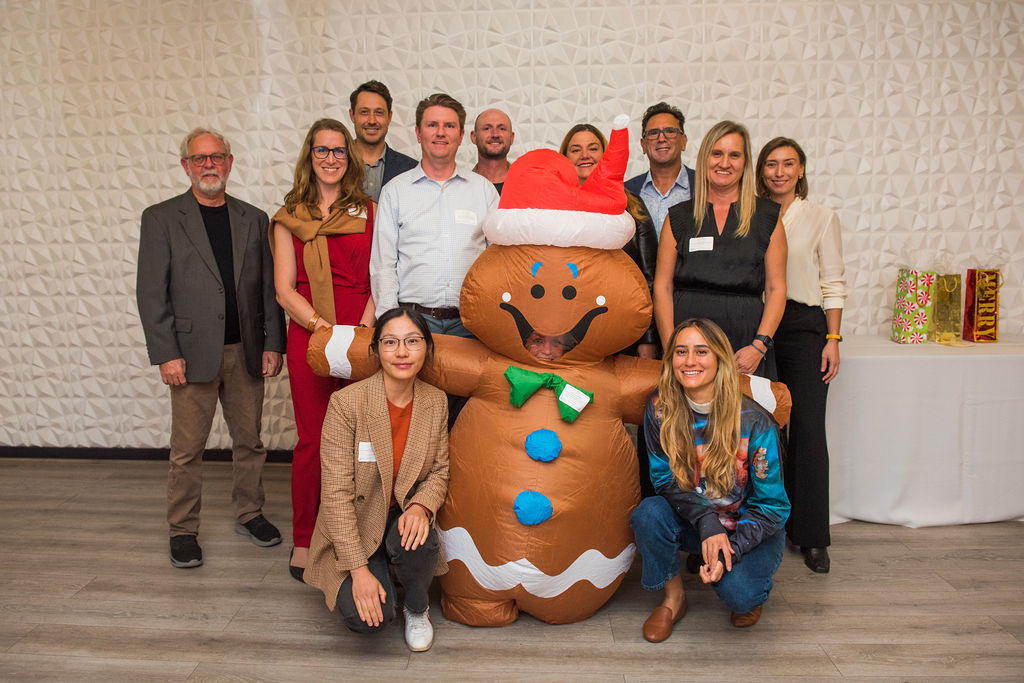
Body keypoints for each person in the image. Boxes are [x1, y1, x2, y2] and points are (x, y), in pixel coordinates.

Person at [137, 127, 286, 568]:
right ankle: (182, 529)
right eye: (199, 158)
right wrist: (166, 353)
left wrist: (272, 343)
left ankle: (250, 512)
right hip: (189, 354)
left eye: (216, 157)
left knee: (250, 442)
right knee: (187, 451)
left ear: (229, 162)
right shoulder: (161, 218)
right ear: (185, 165)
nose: (208, 165)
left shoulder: (253, 219)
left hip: (245, 351)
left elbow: (268, 289)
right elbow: (151, 293)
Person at [630, 318, 789, 640]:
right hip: (697, 522)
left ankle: (749, 590)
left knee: (740, 596)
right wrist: (707, 523)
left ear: (719, 359)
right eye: (681, 352)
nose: (689, 361)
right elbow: (664, 480)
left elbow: (772, 507)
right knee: (648, 514)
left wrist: (731, 548)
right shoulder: (659, 408)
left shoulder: (756, 422)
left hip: (749, 527)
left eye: (701, 351)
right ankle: (674, 599)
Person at [304, 307, 449, 652]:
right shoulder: (346, 403)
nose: (402, 352)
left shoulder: (436, 401)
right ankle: (375, 565)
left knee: (420, 539)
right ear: (376, 350)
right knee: (368, 619)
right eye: (390, 342)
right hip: (355, 521)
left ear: (426, 348)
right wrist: (358, 571)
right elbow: (336, 495)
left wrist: (422, 507)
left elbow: (439, 471)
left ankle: (417, 608)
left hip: (402, 517)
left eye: (412, 341)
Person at [269, 118, 376, 582]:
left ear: (349, 158)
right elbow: (284, 288)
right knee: (313, 440)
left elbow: (380, 277)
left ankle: (359, 534)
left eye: (338, 151)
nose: (330, 159)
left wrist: (362, 333)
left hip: (361, 337)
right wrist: (321, 330)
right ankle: (305, 537)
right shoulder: (288, 217)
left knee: (362, 440)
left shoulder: (369, 211)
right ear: (309, 157)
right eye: (321, 150)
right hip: (309, 335)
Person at [756, 137, 846, 574]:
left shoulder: (821, 217)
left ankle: (811, 535)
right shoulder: (751, 214)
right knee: (759, 429)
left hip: (805, 327)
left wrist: (833, 338)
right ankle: (761, 525)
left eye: (788, 164)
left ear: (801, 169)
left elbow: (833, 281)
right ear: (761, 171)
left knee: (808, 429)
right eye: (771, 164)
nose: (779, 172)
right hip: (758, 325)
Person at [653, 120, 787, 380]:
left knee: (745, 408)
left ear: (745, 163)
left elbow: (776, 288)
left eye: (734, 155)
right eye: (717, 153)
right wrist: (672, 349)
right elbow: (662, 287)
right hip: (687, 344)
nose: (724, 163)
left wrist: (759, 346)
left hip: (746, 344)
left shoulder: (767, 217)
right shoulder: (679, 217)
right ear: (705, 158)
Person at [370, 92, 500, 338]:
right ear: (418, 133)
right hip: (413, 323)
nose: (441, 133)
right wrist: (390, 323)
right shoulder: (394, 192)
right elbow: (382, 265)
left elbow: (499, 260)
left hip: (472, 323)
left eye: (449, 126)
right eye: (432, 125)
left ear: (461, 136)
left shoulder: (483, 190)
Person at [559, 123, 658, 360]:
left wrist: (648, 338)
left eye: (593, 148)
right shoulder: (553, 207)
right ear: (564, 158)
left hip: (623, 328)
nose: (585, 155)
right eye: (576, 150)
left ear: (606, 155)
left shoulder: (631, 205)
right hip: (566, 330)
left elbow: (649, 277)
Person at [624, 102, 695, 239]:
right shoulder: (627, 192)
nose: (661, 138)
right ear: (643, 145)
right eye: (653, 133)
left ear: (683, 141)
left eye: (670, 131)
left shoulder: (705, 186)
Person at [348, 80, 417, 202]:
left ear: (389, 117)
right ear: (352, 115)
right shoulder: (334, 164)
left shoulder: (412, 169)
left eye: (379, 113)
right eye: (364, 112)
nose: (372, 121)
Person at [470, 108, 515, 193]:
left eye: (502, 129)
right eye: (487, 128)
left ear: (512, 138)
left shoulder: (529, 185)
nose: (495, 134)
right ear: (474, 137)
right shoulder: (461, 189)